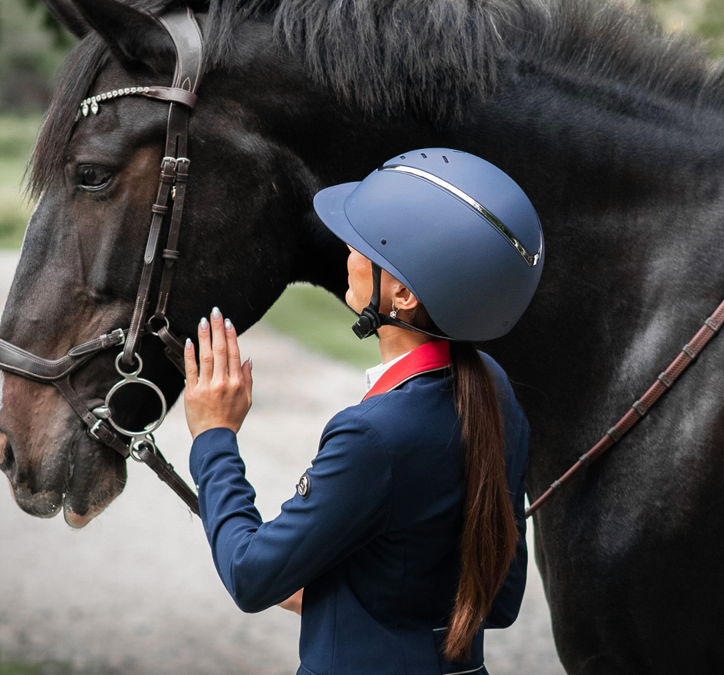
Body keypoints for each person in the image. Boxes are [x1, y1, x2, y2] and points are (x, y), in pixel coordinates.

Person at [184, 148, 544, 675]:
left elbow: (251, 576)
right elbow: (500, 598)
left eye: (363, 244)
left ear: (400, 293)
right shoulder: (493, 388)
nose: (347, 251)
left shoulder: (373, 435)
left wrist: (214, 435)